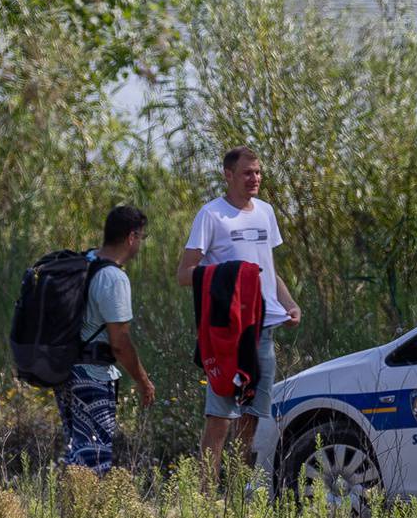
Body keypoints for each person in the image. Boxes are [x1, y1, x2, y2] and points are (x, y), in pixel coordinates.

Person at [177, 145, 302, 481]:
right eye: (248, 172)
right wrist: (228, 274)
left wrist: (288, 303)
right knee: (220, 418)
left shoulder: (265, 212)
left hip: (262, 330)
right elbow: (185, 273)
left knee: (251, 415)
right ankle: (204, 498)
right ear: (228, 175)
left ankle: (235, 496)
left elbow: (267, 269)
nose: (255, 178)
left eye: (258, 172)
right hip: (228, 332)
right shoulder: (211, 215)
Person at [57, 204, 156, 474]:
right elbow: (120, 343)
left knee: (77, 448)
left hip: (66, 371)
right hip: (93, 375)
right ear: (131, 237)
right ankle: (84, 513)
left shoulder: (85, 261)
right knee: (94, 453)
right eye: (141, 237)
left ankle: (70, 512)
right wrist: (143, 380)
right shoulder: (113, 278)